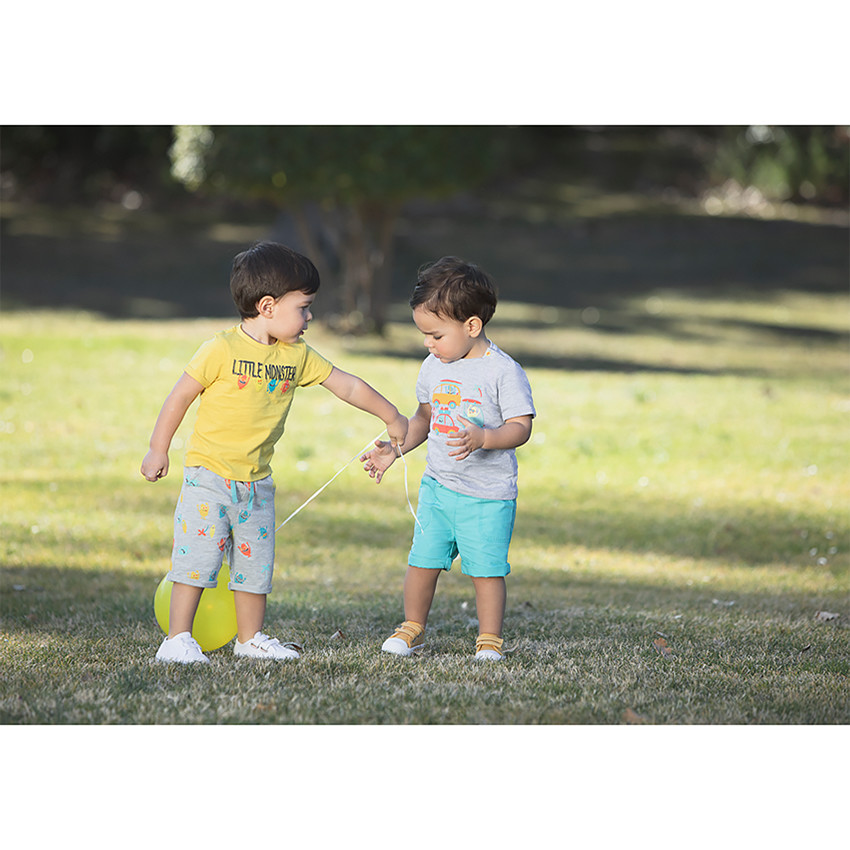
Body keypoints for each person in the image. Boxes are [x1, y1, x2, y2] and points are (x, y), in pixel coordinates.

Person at [141, 241, 408, 664]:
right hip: (208, 478)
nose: (309, 317)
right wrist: (159, 449)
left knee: (255, 568)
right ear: (267, 306)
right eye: (303, 307)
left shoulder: (297, 356)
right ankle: (177, 639)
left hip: (256, 485)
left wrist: (391, 416)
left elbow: (347, 385)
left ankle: (250, 638)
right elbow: (179, 398)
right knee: (196, 561)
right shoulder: (220, 349)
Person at [360, 256, 535, 661]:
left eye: (435, 335)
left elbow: (521, 427)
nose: (427, 343)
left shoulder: (503, 372)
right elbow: (424, 418)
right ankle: (413, 627)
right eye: (424, 334)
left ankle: (489, 639)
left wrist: (485, 437)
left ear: (471, 326)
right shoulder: (433, 367)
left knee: (486, 570)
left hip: (487, 495)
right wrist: (396, 450)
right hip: (437, 488)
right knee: (422, 561)